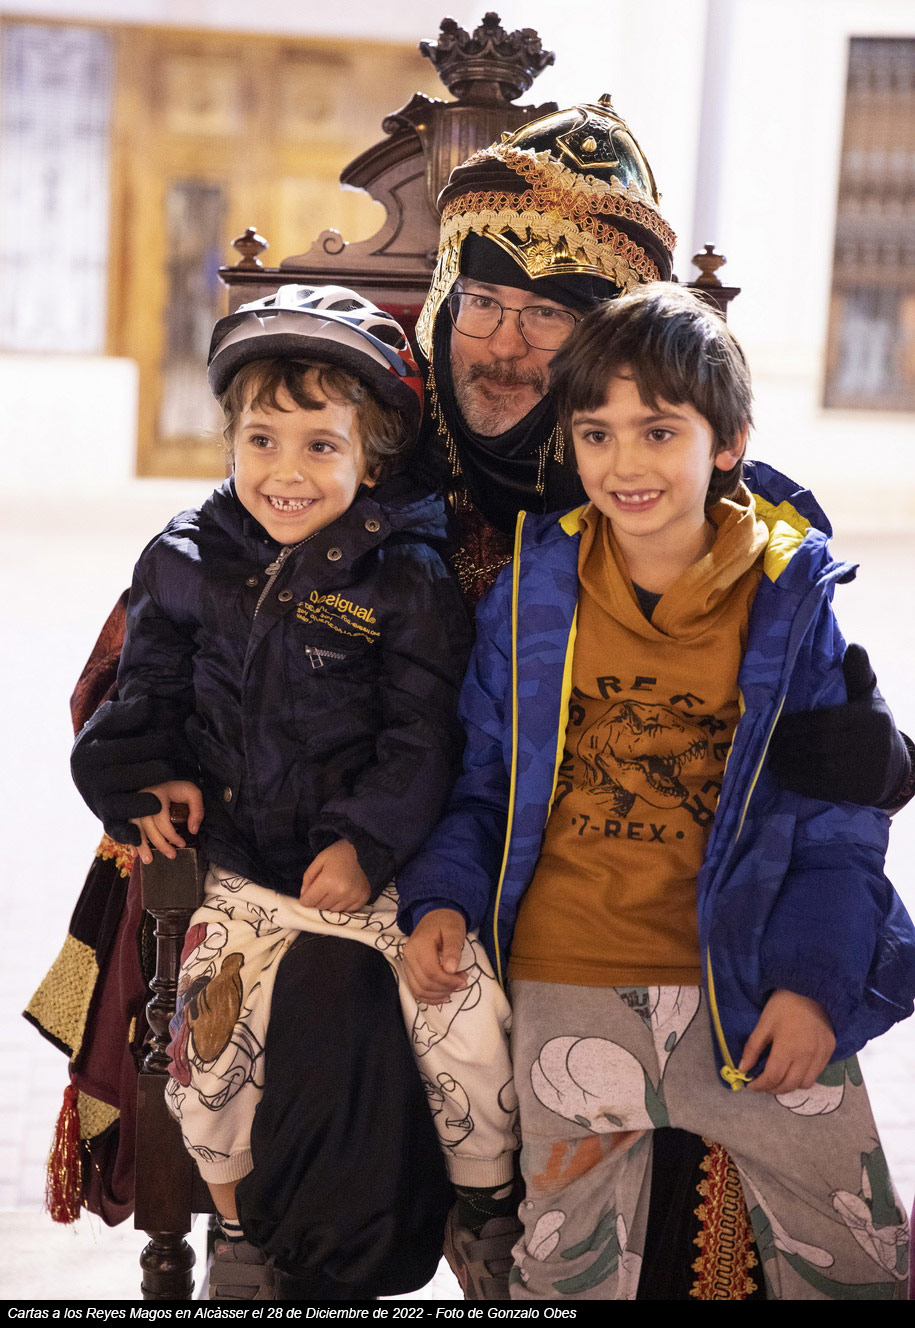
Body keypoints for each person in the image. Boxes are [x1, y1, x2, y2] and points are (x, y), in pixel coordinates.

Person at [42, 97, 912, 1302]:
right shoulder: (342, 459)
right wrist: (142, 757)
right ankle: (297, 1244)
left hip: (610, 892)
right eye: (487, 303)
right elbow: (164, 644)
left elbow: (816, 722)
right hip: (358, 864)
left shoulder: (705, 503)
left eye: (550, 316)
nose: (506, 344)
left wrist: (863, 754)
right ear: (446, 301)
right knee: (328, 982)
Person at [396, 282, 915, 1300]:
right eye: (597, 433)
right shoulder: (531, 592)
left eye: (658, 431)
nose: (624, 464)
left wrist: (811, 985)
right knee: (566, 1265)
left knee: (858, 1254)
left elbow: (835, 824)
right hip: (567, 980)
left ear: (729, 442)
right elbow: (484, 785)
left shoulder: (791, 600)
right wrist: (442, 898)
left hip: (746, 987)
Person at [70, 284, 520, 1299]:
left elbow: (424, 735)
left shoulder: (406, 575)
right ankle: (239, 1233)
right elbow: (141, 695)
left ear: (373, 458)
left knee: (466, 1020)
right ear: (229, 440)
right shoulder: (185, 558)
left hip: (375, 878)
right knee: (206, 1054)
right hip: (241, 872)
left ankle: (487, 1209)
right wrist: (137, 775)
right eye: (262, 440)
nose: (286, 471)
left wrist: (366, 841)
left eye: (321, 446)